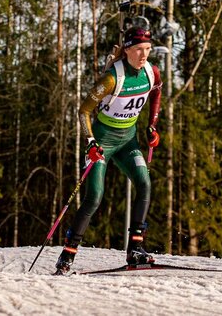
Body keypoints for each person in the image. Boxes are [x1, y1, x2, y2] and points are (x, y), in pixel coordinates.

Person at [54, 26, 162, 275]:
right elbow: (84, 111)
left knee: (144, 183)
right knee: (94, 197)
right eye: (138, 50)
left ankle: (136, 249)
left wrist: (152, 126)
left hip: (128, 141)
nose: (144, 55)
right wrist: (91, 142)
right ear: (127, 51)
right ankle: (67, 255)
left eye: (147, 49)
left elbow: (156, 93)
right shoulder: (113, 78)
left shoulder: (151, 72)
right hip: (103, 143)